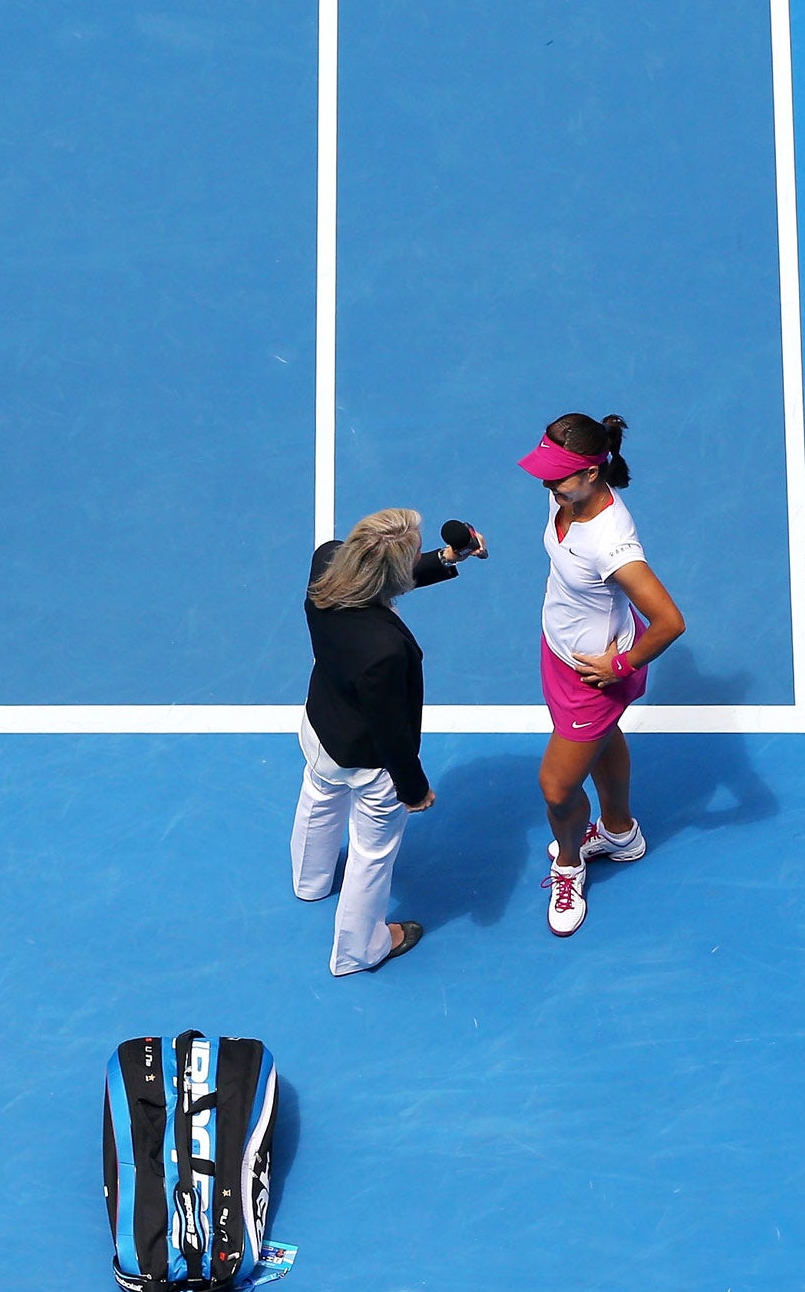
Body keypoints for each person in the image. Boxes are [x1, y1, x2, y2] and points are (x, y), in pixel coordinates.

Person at [292, 508, 487, 975]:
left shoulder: (327, 564)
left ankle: (310, 880)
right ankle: (358, 950)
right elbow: (390, 731)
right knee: (372, 854)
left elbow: (372, 577)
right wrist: (414, 788)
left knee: (318, 800)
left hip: (321, 728)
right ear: (393, 572)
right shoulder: (385, 651)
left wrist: (444, 558)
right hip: (369, 761)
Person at [519, 413, 687, 938]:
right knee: (604, 738)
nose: (548, 483)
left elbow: (670, 623)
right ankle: (619, 833)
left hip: (592, 679)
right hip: (560, 651)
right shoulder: (566, 495)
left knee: (555, 788)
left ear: (593, 473)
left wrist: (621, 665)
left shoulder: (612, 542)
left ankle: (569, 865)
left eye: (559, 475)